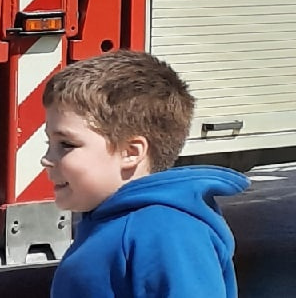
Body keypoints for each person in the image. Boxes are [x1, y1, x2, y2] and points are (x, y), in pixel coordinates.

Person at [42, 51, 250, 298]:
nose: (46, 159)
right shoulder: (109, 219)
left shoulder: (167, 231)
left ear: (131, 152)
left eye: (66, 145)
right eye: (49, 143)